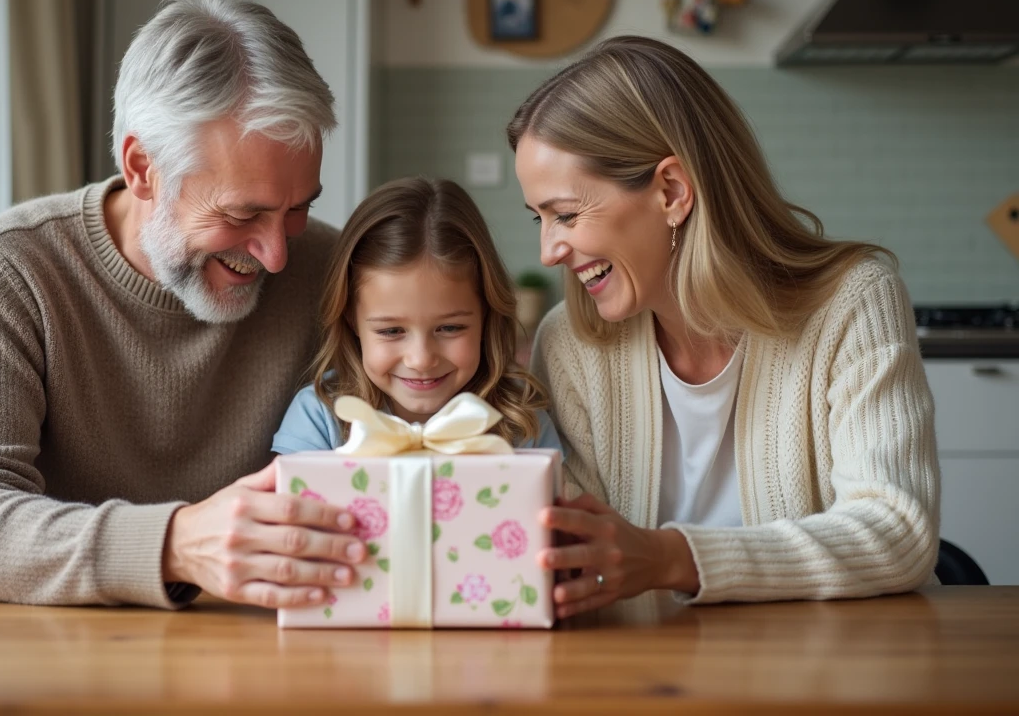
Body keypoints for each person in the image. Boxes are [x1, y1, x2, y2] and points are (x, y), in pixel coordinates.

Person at [0, 0, 371, 610]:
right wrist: (173, 544)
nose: (277, 254)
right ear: (142, 169)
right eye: (243, 213)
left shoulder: (333, 270)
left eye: (299, 207)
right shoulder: (3, 272)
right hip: (60, 662)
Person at [509, 36, 939, 617]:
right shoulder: (570, 342)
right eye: (539, 218)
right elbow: (574, 563)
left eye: (565, 214)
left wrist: (670, 558)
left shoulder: (852, 303)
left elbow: (897, 532)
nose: (548, 250)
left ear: (671, 191)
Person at [272, 176, 561, 453]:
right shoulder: (319, 418)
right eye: (391, 331)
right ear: (351, 319)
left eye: (449, 328)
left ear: (486, 315)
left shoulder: (521, 420)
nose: (421, 360)